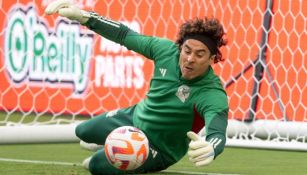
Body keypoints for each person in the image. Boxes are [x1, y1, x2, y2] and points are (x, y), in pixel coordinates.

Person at [46, 0, 229, 174]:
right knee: (83, 131)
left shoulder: (212, 93)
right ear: (180, 47)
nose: (189, 58)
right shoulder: (165, 50)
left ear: (212, 59)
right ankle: (111, 142)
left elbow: (217, 132)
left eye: (199, 54)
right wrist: (85, 17)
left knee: (95, 165)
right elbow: (124, 35)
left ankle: (110, 148)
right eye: (187, 51)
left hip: (159, 148)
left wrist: (212, 146)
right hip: (134, 117)